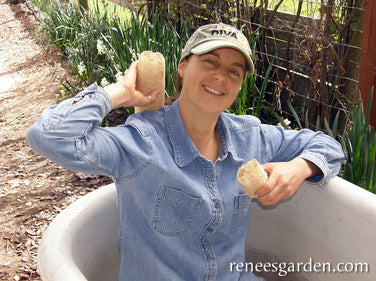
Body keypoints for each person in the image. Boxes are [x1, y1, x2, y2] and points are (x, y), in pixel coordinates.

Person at [27, 23, 344, 281]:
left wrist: (299, 168)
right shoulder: (142, 144)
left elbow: (328, 147)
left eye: (234, 71)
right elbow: (48, 136)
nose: (221, 76)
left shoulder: (251, 137)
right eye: (210, 62)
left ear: (239, 86)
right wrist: (119, 92)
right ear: (182, 66)